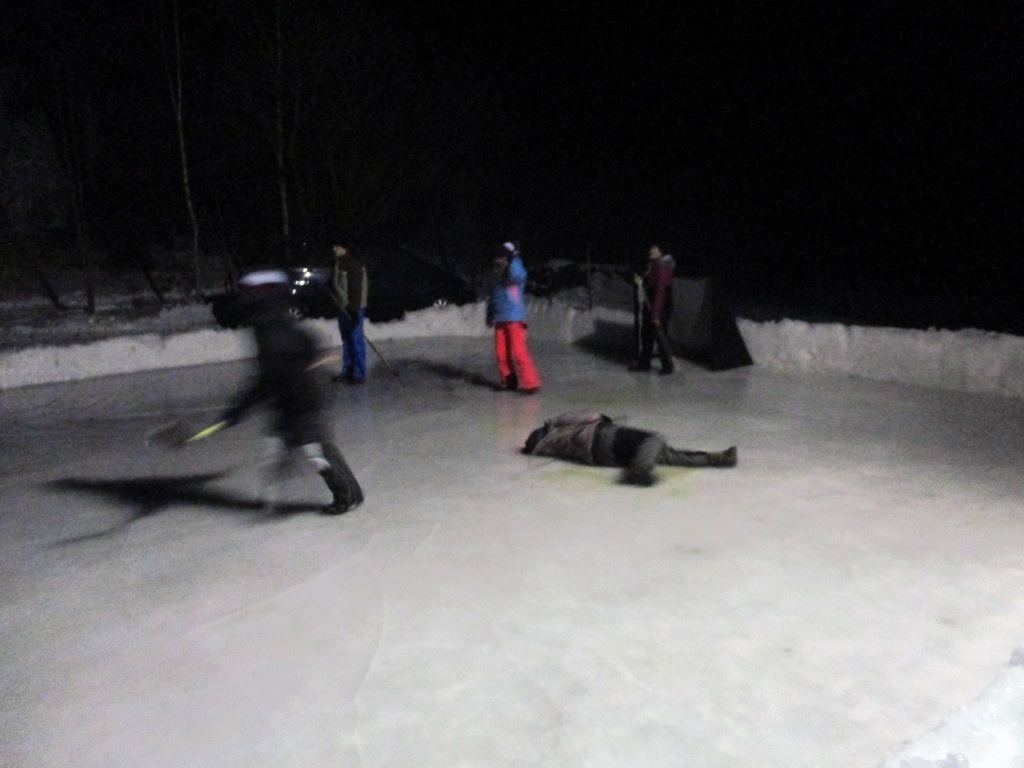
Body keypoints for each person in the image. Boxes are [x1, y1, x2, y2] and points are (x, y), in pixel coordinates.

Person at [219, 268, 364, 514]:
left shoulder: (273, 330)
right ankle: (273, 499)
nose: (243, 298)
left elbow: (271, 377)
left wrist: (240, 409)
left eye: (247, 293)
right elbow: (271, 374)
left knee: (315, 449)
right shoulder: (267, 325)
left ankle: (347, 495)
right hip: (290, 398)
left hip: (303, 399)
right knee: (277, 447)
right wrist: (240, 409)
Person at [523, 410, 736, 486]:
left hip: (599, 455)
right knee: (653, 439)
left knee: (659, 453)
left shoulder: (551, 445)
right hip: (602, 437)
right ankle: (639, 470)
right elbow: (589, 415)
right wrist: (603, 418)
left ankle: (713, 458)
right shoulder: (556, 426)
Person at [486, 241, 542, 393]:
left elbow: (519, 275)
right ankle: (509, 381)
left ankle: (531, 382)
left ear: (507, 258)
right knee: (501, 354)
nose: (498, 260)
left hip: (515, 319)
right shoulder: (495, 276)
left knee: (518, 351)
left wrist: (515, 257)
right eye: (497, 257)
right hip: (500, 320)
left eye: (502, 257)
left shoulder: (513, 274)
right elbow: (493, 297)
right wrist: (490, 314)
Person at [630, 242, 676, 374]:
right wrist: (641, 282)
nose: (651, 251)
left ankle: (667, 365)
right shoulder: (654, 265)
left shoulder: (662, 267)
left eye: (654, 249)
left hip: (660, 305)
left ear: (661, 251)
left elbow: (660, 291)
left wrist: (655, 314)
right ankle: (644, 362)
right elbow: (650, 284)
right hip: (651, 302)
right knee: (647, 334)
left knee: (660, 334)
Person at [330, 240, 369, 384]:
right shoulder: (338, 263)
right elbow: (338, 284)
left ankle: (358, 373)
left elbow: (356, 290)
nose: (334, 248)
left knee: (355, 338)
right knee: (347, 339)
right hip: (343, 308)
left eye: (337, 246)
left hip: (353, 308)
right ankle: (348, 371)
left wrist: (354, 311)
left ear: (344, 248)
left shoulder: (352, 264)